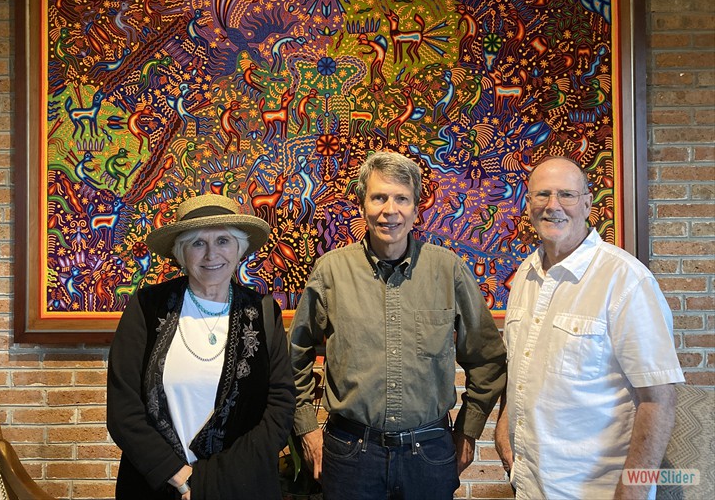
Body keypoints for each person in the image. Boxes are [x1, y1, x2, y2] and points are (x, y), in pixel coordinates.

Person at [289, 150, 507, 500]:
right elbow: (294, 356)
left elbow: (487, 358)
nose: (390, 210)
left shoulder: (447, 270)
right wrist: (306, 428)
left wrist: (468, 430)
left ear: (416, 209)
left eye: (401, 199)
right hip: (350, 455)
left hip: (429, 454)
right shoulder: (331, 272)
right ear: (362, 205)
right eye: (379, 197)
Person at [494, 156, 684, 499]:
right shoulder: (525, 274)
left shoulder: (625, 280)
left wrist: (633, 492)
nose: (553, 206)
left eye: (566, 195)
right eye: (542, 195)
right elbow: (521, 364)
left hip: (597, 491)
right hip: (530, 486)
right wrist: (505, 427)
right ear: (528, 203)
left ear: (587, 203)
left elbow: (659, 401)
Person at [107, 194, 295, 499]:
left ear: (239, 249)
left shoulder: (263, 311)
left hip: (241, 487)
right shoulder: (146, 307)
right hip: (155, 487)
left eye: (223, 241)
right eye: (197, 243)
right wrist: (180, 477)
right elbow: (123, 410)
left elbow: (280, 407)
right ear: (181, 251)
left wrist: (210, 482)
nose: (211, 254)